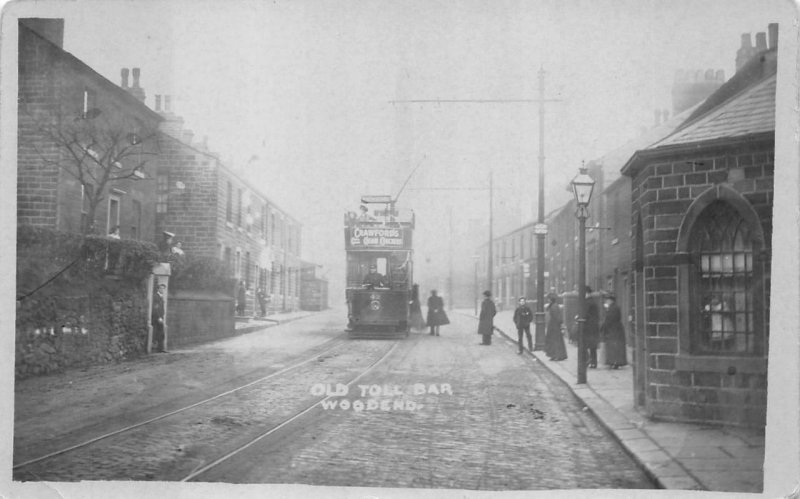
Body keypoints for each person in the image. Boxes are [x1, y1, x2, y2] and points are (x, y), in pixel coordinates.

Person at [601, 293, 627, 369]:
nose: (606, 301)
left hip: (614, 330)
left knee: (614, 347)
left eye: (607, 300)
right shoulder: (612, 307)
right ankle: (613, 362)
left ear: (611, 300)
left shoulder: (613, 308)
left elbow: (609, 319)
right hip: (614, 330)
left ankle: (615, 362)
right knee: (613, 347)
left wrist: (604, 327)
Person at [545, 293, 567, 361]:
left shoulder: (554, 306)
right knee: (553, 341)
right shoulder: (553, 305)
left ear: (551, 299)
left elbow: (558, 317)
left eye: (549, 299)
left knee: (556, 341)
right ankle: (554, 355)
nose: (548, 300)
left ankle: (558, 355)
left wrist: (560, 325)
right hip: (552, 325)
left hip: (555, 326)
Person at [584, 286, 600, 368]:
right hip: (593, 327)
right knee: (592, 346)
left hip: (588, 327)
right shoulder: (592, 301)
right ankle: (593, 362)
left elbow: (585, 314)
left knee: (585, 345)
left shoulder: (588, 302)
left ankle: (588, 361)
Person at [152, 282, 167, 353]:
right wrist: (159, 317)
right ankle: (159, 348)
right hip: (157, 318)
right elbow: (155, 308)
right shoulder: (156, 297)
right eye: (161, 288)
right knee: (159, 332)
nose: (162, 290)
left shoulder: (161, 296)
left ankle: (161, 348)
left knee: (161, 332)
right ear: (158, 289)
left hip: (161, 317)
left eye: (163, 288)